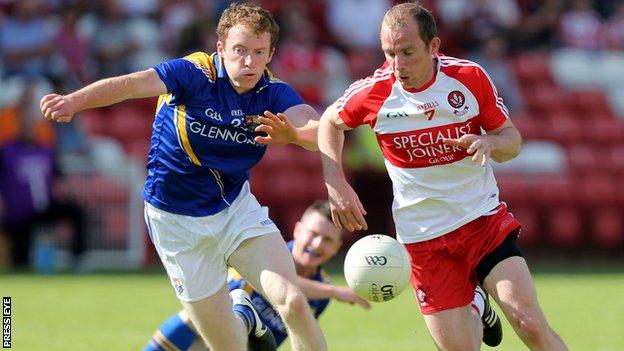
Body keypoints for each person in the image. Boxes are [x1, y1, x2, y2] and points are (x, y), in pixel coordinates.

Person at [41, 3, 327, 351]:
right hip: (175, 222)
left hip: (234, 210)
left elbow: (316, 128)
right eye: (240, 50)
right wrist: (73, 102)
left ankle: (246, 315)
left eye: (258, 53)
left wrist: (295, 135)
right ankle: (243, 316)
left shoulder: (273, 92)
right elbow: (131, 85)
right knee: (230, 347)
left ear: (270, 54)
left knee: (293, 303)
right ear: (220, 47)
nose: (249, 62)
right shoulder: (194, 73)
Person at [317, 3, 568, 351]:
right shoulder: (375, 91)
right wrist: (336, 183)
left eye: (407, 52)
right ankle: (477, 304)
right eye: (389, 54)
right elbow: (330, 122)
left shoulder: (468, 77)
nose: (398, 64)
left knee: (531, 326)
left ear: (433, 47)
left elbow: (513, 142)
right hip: (424, 238)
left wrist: (488, 142)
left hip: (481, 221)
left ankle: (477, 300)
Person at [144, 200, 371, 351]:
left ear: (336, 248)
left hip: (253, 345)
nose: (317, 244)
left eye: (328, 240)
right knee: (192, 318)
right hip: (213, 329)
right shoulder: (268, 254)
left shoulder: (322, 291)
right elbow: (286, 285)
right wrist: (334, 291)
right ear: (298, 230)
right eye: (313, 234)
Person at [0, 82, 86, 270]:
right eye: (25, 125)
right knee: (20, 261)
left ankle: (78, 261)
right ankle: (11, 294)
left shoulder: (45, 150)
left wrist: (70, 189)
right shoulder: (7, 150)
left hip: (44, 207)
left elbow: (58, 174)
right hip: (19, 213)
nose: (29, 129)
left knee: (76, 211)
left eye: (32, 125)